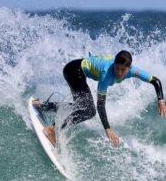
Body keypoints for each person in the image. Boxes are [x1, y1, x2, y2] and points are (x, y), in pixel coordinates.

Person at [33, 51, 166, 146]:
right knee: (89, 111)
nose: (119, 73)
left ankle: (43, 106)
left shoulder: (134, 71)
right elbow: (100, 105)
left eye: (123, 70)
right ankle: (52, 130)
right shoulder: (106, 74)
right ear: (114, 64)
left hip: (78, 70)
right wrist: (108, 129)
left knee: (80, 106)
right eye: (117, 68)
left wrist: (160, 100)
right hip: (74, 70)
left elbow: (155, 81)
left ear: (129, 68)